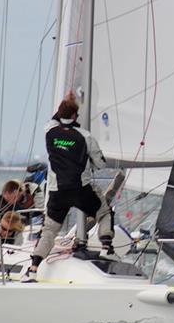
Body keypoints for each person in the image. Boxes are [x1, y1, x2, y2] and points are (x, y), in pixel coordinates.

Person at [26, 97, 114, 282]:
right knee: (104, 212)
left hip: (57, 192)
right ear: (75, 115)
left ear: (59, 113)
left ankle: (33, 269)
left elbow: (55, 117)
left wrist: (66, 105)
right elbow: (99, 164)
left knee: (49, 230)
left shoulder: (49, 130)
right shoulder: (85, 136)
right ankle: (107, 248)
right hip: (80, 189)